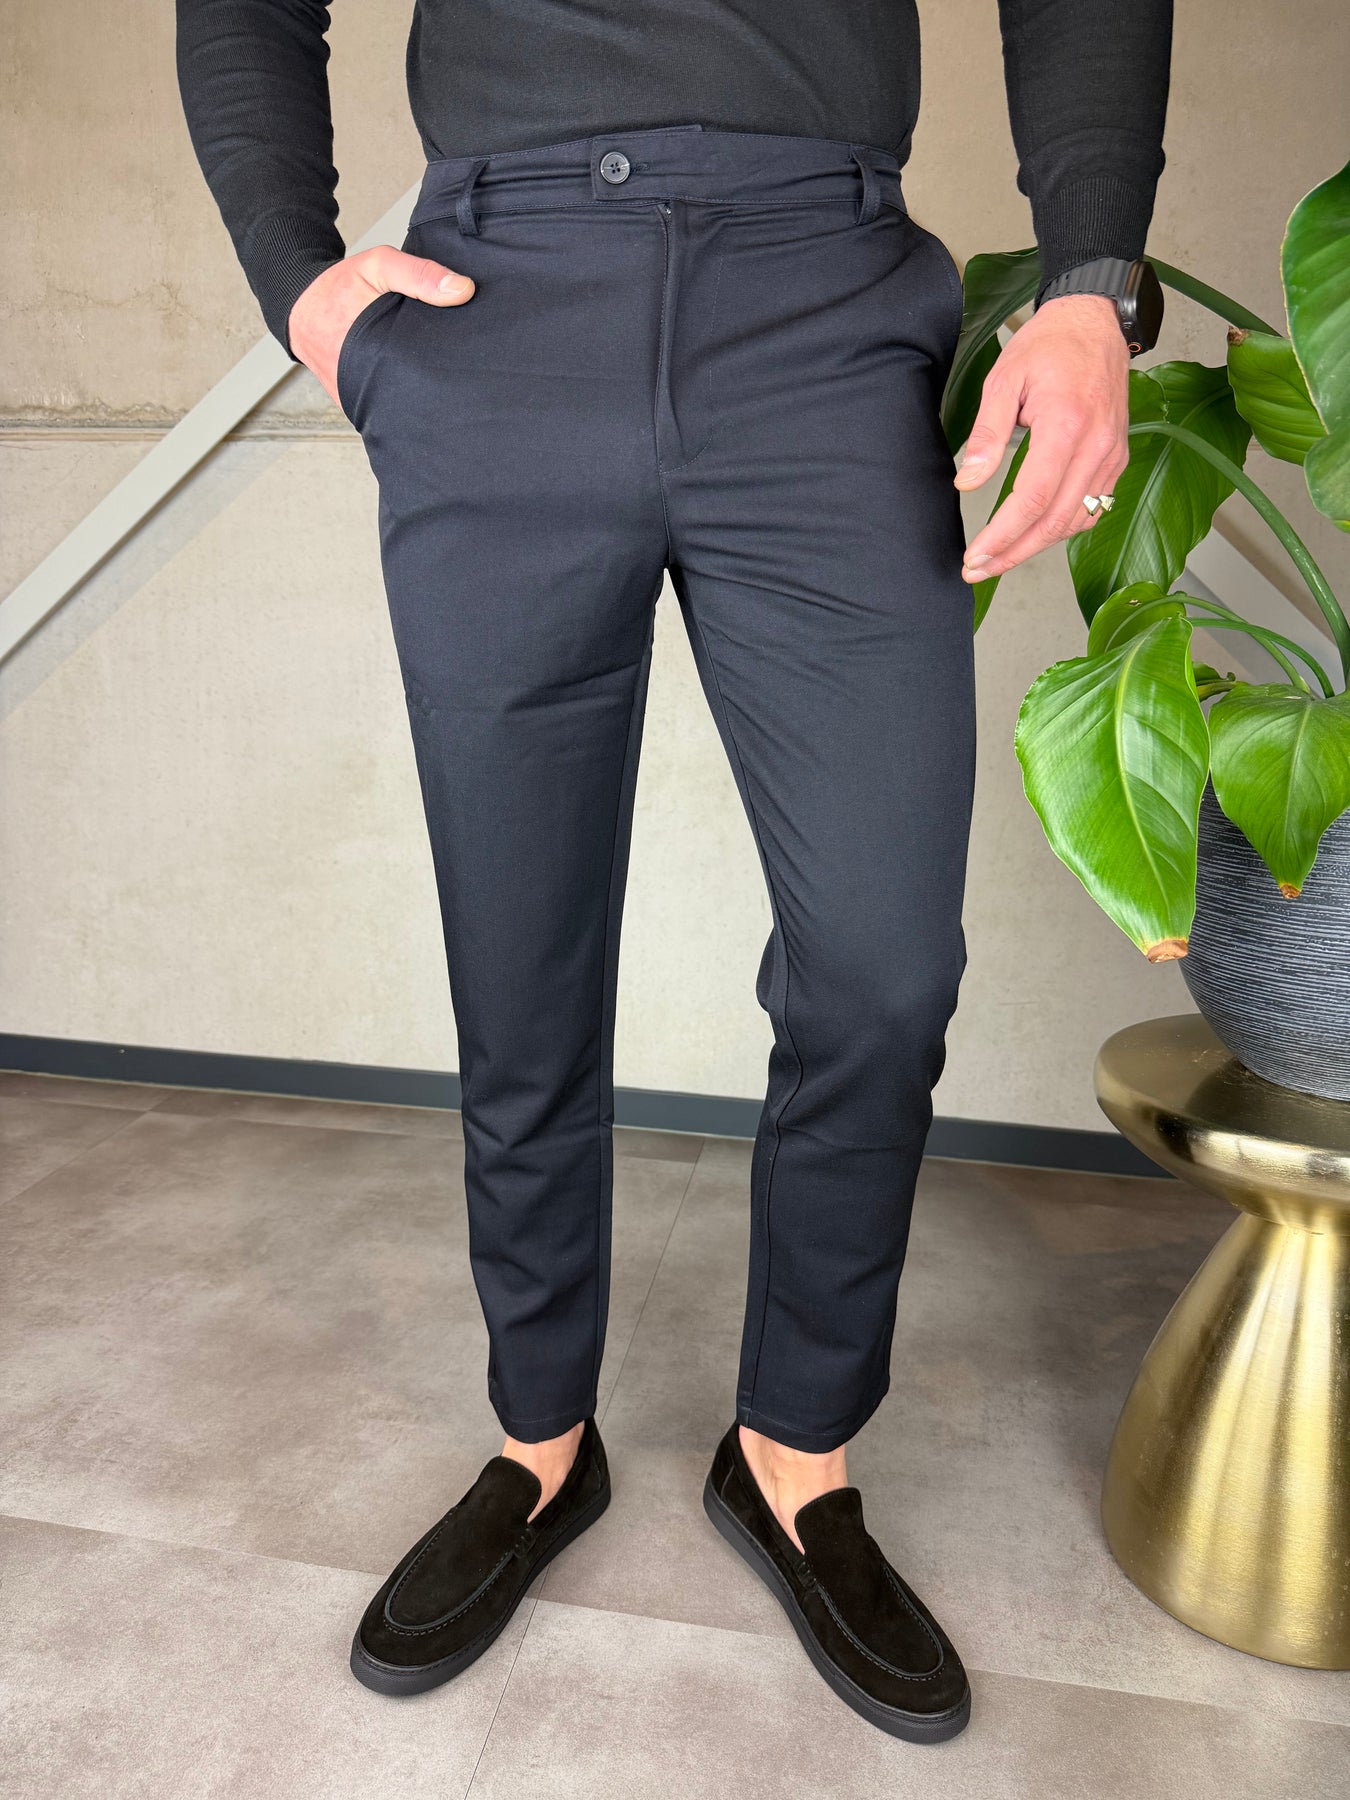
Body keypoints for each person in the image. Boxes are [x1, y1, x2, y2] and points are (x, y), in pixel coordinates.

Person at [176, 0, 1170, 1743]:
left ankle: (792, 1455)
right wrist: (298, 280)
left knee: (879, 967)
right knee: (519, 955)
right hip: (497, 309)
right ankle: (538, 1442)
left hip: (823, 303)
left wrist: (1089, 277)